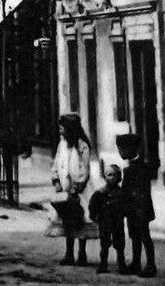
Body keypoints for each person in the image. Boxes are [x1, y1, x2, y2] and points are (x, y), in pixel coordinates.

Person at [46, 113, 98, 265]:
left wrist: (77, 187)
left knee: (80, 220)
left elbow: (84, 168)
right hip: (64, 189)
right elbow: (56, 163)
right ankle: (69, 253)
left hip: (80, 191)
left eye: (62, 128)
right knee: (67, 221)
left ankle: (82, 253)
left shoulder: (82, 146)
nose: (60, 131)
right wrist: (56, 180)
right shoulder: (62, 145)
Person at [116, 132, 157, 277]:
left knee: (144, 235)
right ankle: (136, 263)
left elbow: (141, 191)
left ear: (130, 149)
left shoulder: (138, 168)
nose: (120, 153)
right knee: (135, 236)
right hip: (133, 208)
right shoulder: (132, 167)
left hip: (140, 208)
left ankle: (151, 265)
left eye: (121, 149)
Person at [88, 164, 127, 274]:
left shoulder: (121, 193)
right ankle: (103, 264)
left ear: (119, 178)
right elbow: (92, 205)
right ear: (104, 177)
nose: (112, 178)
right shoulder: (100, 193)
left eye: (115, 175)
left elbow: (126, 205)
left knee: (119, 244)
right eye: (109, 175)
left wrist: (124, 213)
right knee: (104, 244)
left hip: (117, 221)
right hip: (104, 222)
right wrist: (94, 216)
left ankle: (121, 264)